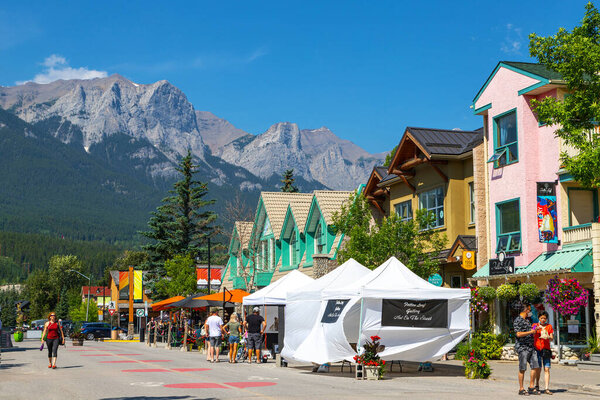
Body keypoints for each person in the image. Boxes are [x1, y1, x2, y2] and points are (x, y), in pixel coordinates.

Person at [514, 302, 541, 395]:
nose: (530, 311)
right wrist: (530, 332)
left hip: (531, 346)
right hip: (522, 347)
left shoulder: (527, 320)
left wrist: (534, 330)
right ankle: (521, 389)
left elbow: (530, 331)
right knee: (523, 368)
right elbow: (518, 334)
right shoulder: (518, 320)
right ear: (526, 310)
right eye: (529, 309)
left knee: (535, 366)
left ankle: (531, 386)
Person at [533, 311, 554, 395]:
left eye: (544, 318)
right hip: (537, 348)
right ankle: (537, 385)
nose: (543, 320)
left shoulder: (549, 326)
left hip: (546, 349)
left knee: (547, 368)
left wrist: (548, 336)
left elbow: (552, 338)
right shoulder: (535, 325)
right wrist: (535, 329)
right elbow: (531, 333)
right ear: (539, 318)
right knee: (538, 368)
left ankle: (546, 388)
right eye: (541, 318)